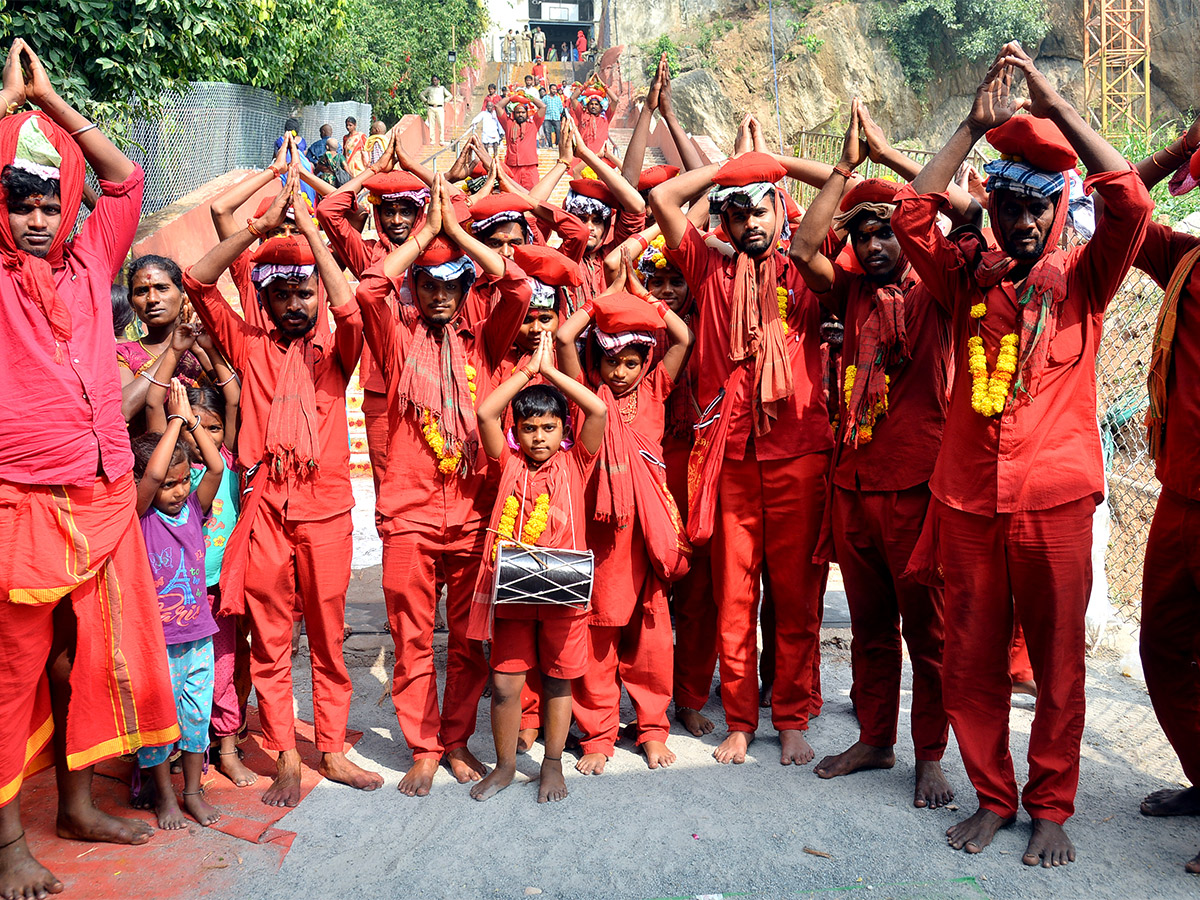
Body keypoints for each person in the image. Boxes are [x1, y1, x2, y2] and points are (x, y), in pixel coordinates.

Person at [889, 43, 1152, 866]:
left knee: (1059, 664)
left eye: (1042, 209)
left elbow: (1132, 202)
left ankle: (1051, 806)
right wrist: (970, 129)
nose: (1028, 224)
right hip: (968, 502)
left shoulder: (1086, 278)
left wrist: (1056, 101)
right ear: (994, 210)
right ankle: (993, 799)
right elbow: (908, 216)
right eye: (1013, 209)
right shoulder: (967, 277)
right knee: (969, 662)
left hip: (1057, 505)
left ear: (1058, 210)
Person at [0, 38, 179, 900]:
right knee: (15, 669)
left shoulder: (87, 262)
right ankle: (5, 850)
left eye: (47, 202)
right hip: (22, 500)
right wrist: (7, 113)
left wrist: (51, 101)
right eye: (19, 201)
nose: (36, 217)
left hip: (102, 490)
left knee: (85, 656)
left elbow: (125, 179)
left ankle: (76, 804)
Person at [790, 99, 971, 810]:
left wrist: (894, 161)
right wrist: (844, 168)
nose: (872, 247)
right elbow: (805, 247)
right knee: (868, 627)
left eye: (885, 233)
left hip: (920, 486)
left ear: (906, 235)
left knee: (929, 633)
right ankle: (875, 738)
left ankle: (930, 755)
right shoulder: (854, 291)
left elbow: (960, 209)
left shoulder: (941, 288)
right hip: (855, 482)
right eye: (861, 235)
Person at [183, 175, 384, 807]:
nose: (297, 305)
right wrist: (263, 227)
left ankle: (330, 748)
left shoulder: (336, 350)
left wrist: (315, 244)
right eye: (285, 296)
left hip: (326, 513)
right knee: (269, 638)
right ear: (265, 301)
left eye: (306, 295)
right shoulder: (248, 345)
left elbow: (351, 308)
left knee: (328, 636)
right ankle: (285, 755)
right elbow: (196, 280)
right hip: (266, 510)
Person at [650, 143, 834, 769]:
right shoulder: (708, 271)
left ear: (784, 215)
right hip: (729, 455)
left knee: (796, 593)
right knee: (735, 593)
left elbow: (842, 186)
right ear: (723, 225)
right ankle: (740, 720)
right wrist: (734, 172)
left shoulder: (807, 268)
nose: (751, 224)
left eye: (762, 211)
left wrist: (777, 163)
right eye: (737, 214)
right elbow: (664, 198)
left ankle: (789, 717)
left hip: (798, 452)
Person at [353, 177, 534, 796]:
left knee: (469, 638)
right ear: (415, 288)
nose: (436, 295)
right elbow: (367, 286)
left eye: (449, 285)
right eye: (426, 284)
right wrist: (426, 235)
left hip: (477, 511)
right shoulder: (396, 335)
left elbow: (518, 285)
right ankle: (424, 746)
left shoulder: (487, 338)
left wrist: (456, 234)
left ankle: (455, 740)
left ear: (464, 290)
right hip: (409, 512)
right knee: (410, 635)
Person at [557, 258, 695, 774]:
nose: (620, 373)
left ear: (646, 363)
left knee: (652, 629)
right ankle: (597, 733)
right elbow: (566, 340)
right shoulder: (587, 393)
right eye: (612, 362)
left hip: (649, 527)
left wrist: (641, 295)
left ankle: (653, 728)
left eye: (632, 363)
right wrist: (603, 298)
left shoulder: (658, 387)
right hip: (600, 530)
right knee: (597, 627)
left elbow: (681, 337)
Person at [468, 331, 608, 803]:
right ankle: (506, 766)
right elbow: (487, 411)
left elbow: (599, 411)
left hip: (564, 593)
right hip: (512, 588)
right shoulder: (506, 461)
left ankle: (551, 765)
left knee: (557, 678)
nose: (540, 437)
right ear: (518, 433)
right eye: (530, 428)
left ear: (563, 431)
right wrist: (527, 372)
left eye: (549, 428)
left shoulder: (578, 461)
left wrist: (552, 373)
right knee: (506, 683)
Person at [1126, 115, 1200, 875]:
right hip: (1181, 497)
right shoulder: (1185, 261)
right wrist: (1176, 150)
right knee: (1165, 647)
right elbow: (1113, 201)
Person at [130, 381, 225, 830]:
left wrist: (190, 423)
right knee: (156, 723)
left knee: (195, 718)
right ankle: (163, 796)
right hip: (157, 644)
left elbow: (216, 468)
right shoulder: (142, 515)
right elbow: (149, 478)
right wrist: (172, 421)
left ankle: (191, 792)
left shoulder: (193, 509)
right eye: (170, 483)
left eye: (183, 480)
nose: (178, 489)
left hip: (198, 638)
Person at [117, 255, 208, 426]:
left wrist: (200, 349)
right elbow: (125, 409)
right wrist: (174, 349)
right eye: (142, 291)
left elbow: (235, 398)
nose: (152, 299)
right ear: (131, 302)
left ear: (183, 295)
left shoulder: (205, 343)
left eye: (162, 288)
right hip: (151, 450)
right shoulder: (122, 353)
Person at [496, 94, 546, 191]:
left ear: (527, 113)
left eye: (523, 112)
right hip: (512, 168)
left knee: (532, 195)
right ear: (513, 114)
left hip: (530, 168)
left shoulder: (534, 124)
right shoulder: (508, 124)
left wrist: (530, 98)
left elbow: (543, 107)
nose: (520, 114)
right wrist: (511, 98)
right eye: (518, 112)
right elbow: (498, 106)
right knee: (512, 195)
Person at [570, 76, 616, 155]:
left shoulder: (606, 116)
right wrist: (586, 85)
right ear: (587, 106)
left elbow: (615, 100)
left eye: (596, 104)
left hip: (601, 156)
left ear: (601, 106)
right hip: (583, 156)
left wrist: (603, 86)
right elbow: (573, 98)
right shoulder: (582, 114)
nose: (593, 106)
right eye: (591, 104)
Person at [422, 76, 454, 145]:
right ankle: (432, 141)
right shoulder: (429, 89)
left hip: (439, 108)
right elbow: (421, 95)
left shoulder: (442, 88)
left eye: (436, 80)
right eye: (433, 80)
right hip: (431, 107)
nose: (434, 81)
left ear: (438, 81)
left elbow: (450, 96)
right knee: (432, 125)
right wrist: (426, 101)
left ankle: (441, 140)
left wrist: (445, 101)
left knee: (441, 124)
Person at [542, 82, 564, 150]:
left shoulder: (558, 98)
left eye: (555, 89)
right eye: (553, 89)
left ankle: (557, 144)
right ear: (549, 89)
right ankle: (550, 145)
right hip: (547, 117)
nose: (554, 90)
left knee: (558, 130)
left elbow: (561, 108)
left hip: (556, 117)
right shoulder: (545, 98)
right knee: (547, 131)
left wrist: (559, 113)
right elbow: (542, 107)